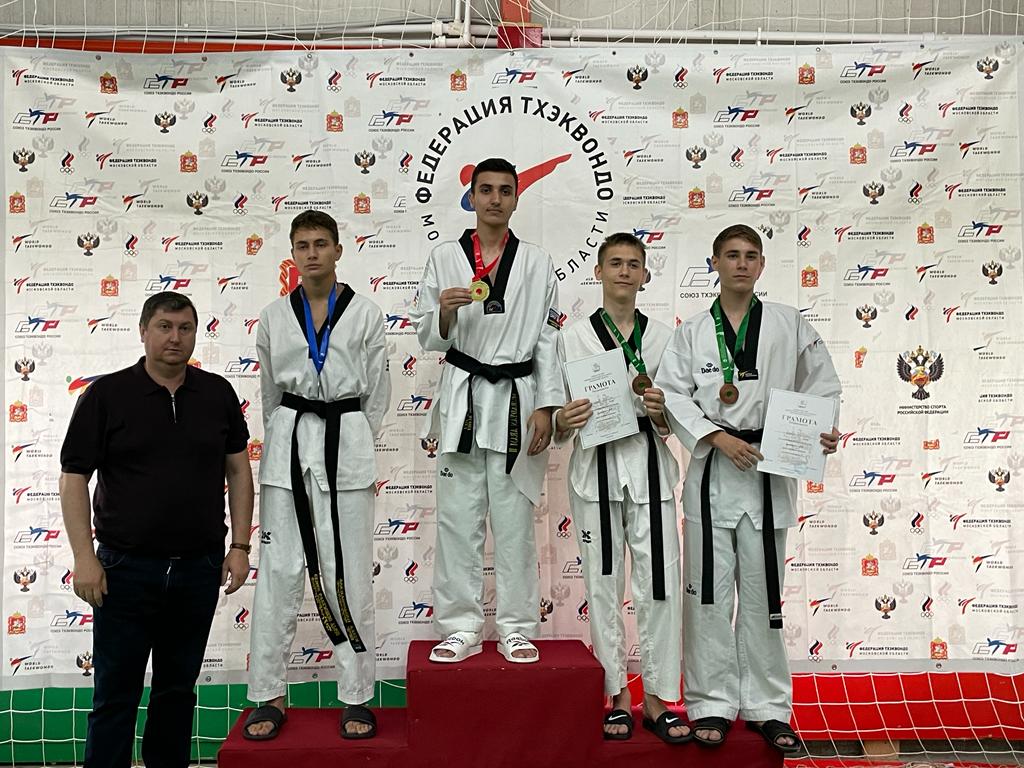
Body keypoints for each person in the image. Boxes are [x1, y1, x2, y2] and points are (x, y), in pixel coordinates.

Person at [656, 224, 841, 753]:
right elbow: (671, 394)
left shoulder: (789, 323)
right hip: (714, 471)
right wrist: (716, 437)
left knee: (763, 598)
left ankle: (768, 706)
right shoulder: (693, 332)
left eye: (750, 255)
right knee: (708, 596)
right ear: (714, 262)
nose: (741, 263)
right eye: (731, 255)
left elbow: (822, 384)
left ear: (761, 265)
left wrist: (821, 430)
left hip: (768, 471)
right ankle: (710, 702)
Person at [59, 291, 254, 768]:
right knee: (115, 695)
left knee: (176, 693)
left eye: (185, 328)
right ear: (143, 331)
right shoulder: (105, 396)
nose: (175, 337)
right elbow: (73, 477)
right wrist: (84, 558)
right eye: (164, 327)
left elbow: (238, 470)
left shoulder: (218, 394)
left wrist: (240, 545)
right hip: (123, 570)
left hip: (198, 569)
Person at [409, 157, 563, 664]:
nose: (495, 199)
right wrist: (444, 313)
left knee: (515, 522)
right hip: (464, 396)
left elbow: (548, 338)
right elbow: (427, 335)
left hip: (518, 397)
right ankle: (459, 627)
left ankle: (517, 627)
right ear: (471, 197)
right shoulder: (443, 258)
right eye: (486, 190)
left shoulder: (537, 261)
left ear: (516, 198)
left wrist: (547, 405)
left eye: (505, 190)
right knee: (458, 521)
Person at [245, 210, 390, 740]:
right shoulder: (272, 316)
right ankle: (268, 695)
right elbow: (269, 394)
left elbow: (377, 394)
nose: (312, 253)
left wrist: (352, 435)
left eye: (321, 243)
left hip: (345, 445)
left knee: (349, 574)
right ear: (292, 253)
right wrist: (287, 434)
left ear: (338, 250)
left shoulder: (366, 314)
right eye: (303, 245)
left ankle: (356, 696)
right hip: (288, 447)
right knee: (278, 572)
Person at [555, 233, 689, 743]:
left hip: (651, 469)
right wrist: (565, 419)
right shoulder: (572, 338)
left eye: (634, 264)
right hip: (596, 471)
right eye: (615, 263)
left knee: (659, 585)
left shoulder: (665, 338)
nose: (625, 272)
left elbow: (678, 417)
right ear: (598, 271)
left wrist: (662, 413)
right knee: (603, 585)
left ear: (645, 275)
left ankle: (657, 698)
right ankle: (615, 695)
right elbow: (557, 414)